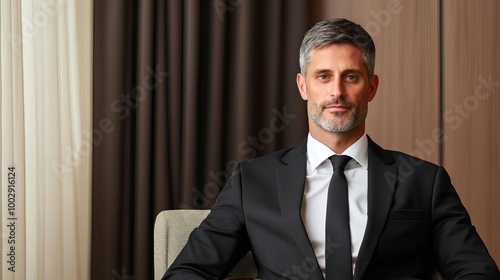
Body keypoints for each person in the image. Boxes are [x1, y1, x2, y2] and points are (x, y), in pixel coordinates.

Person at [163, 18, 500, 279]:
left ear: (371, 87)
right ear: (303, 86)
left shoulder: (424, 181)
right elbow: (187, 271)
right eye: (323, 76)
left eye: (350, 77)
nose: (336, 91)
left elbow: (477, 272)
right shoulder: (252, 181)